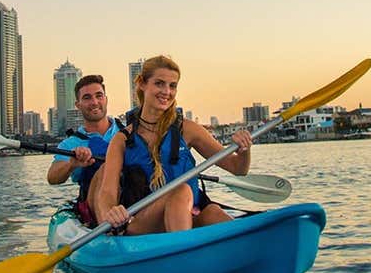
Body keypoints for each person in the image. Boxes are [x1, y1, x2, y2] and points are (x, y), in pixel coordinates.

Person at [93, 55, 253, 235]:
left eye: (172, 86)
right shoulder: (122, 139)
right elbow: (107, 191)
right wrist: (110, 211)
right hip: (142, 223)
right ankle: (183, 254)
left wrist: (244, 150)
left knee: (214, 213)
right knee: (181, 190)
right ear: (142, 84)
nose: (166, 91)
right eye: (159, 83)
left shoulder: (188, 129)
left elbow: (238, 168)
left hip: (187, 215)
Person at [47, 74, 120, 222]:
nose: (94, 102)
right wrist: (71, 165)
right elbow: (52, 178)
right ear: (78, 105)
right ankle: (108, 227)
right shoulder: (71, 144)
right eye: (87, 98)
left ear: (106, 99)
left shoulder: (127, 132)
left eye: (99, 96)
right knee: (104, 169)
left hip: (133, 201)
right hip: (95, 208)